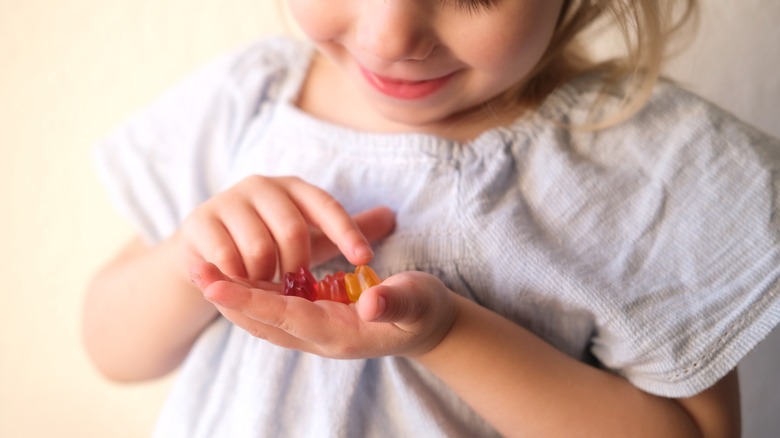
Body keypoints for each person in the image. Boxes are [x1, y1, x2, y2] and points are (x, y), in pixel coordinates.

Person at [82, 0, 780, 436]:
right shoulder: (249, 101)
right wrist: (190, 257)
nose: (389, 35)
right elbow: (112, 347)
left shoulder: (649, 165)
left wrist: (448, 335)